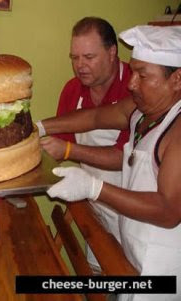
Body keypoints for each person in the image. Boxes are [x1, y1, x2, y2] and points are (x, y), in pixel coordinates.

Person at [45, 25, 181, 300]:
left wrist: (95, 188)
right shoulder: (142, 111)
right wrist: (39, 126)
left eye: (143, 75)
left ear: (177, 79)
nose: (132, 84)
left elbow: (168, 211)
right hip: (132, 253)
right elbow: (95, 118)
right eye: (132, 72)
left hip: (163, 269)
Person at [37, 17, 132, 272]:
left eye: (89, 57)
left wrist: (68, 150)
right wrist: (35, 134)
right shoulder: (72, 90)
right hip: (95, 204)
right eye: (74, 57)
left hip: (133, 209)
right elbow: (84, 123)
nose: (80, 66)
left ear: (112, 52)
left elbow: (123, 157)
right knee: (101, 272)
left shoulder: (136, 87)